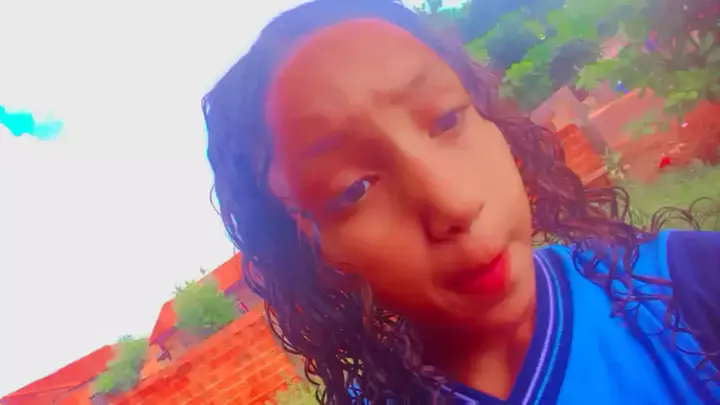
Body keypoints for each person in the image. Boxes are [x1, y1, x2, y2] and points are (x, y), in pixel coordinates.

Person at [202, 0, 720, 403]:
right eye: (353, 189)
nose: (453, 205)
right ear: (313, 258)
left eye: (448, 118)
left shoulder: (685, 290)